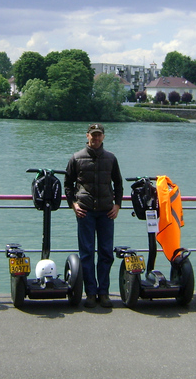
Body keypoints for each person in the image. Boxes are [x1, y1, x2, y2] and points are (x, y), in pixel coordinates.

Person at [64, 123, 123, 308]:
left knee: (106, 253)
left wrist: (118, 205)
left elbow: (119, 184)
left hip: (106, 212)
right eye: (93, 135)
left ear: (103, 137)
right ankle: (90, 293)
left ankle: (103, 292)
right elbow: (68, 185)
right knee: (87, 254)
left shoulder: (111, 159)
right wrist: (73, 204)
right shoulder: (76, 158)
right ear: (87, 136)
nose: (96, 138)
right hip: (85, 212)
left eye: (99, 135)